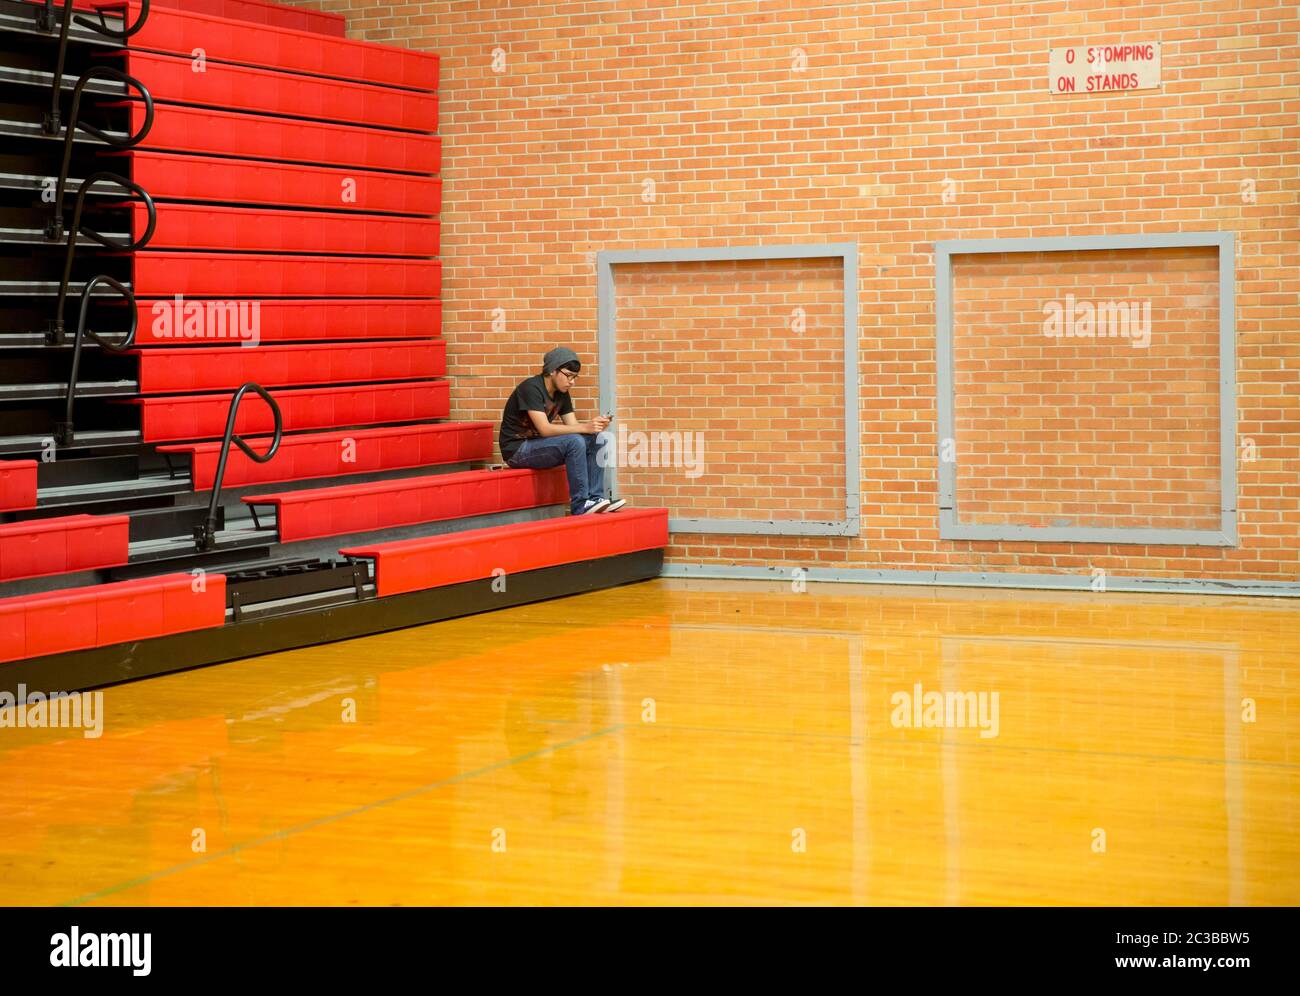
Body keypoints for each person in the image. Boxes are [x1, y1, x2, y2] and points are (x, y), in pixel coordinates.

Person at [498, 347, 627, 515]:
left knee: (597, 439)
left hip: (538, 446)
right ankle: (580, 504)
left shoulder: (562, 393)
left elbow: (574, 427)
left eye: (575, 377)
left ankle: (595, 498)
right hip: (517, 449)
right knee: (574, 441)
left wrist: (594, 427)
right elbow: (545, 429)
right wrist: (584, 427)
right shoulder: (530, 388)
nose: (572, 381)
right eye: (568, 376)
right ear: (552, 370)